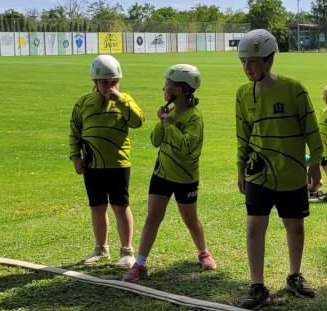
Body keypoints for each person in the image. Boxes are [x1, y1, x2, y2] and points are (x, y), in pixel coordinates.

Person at [234, 29, 324, 309]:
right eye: (243, 61)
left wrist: (316, 163)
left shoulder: (294, 88)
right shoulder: (242, 94)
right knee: (254, 227)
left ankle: (294, 277)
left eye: (253, 61)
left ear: (269, 59)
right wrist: (240, 168)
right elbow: (242, 135)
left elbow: (311, 128)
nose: (247, 67)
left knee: (295, 227)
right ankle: (257, 286)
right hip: (258, 173)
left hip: (291, 172)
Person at [122, 64, 216, 282]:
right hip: (162, 174)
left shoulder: (194, 118)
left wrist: (170, 125)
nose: (163, 88)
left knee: (190, 220)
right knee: (152, 217)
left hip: (185, 178)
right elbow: (155, 141)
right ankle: (140, 264)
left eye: (167, 84)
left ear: (179, 90)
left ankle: (204, 253)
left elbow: (187, 147)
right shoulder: (170, 112)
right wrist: (162, 122)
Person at [69, 54, 144, 268]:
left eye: (114, 82)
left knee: (121, 206)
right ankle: (101, 250)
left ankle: (127, 251)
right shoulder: (83, 102)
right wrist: (76, 157)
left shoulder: (125, 99)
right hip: (93, 165)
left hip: (118, 164)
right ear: (95, 82)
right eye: (105, 83)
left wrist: (120, 99)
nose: (110, 87)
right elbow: (75, 131)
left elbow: (138, 121)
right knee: (97, 207)